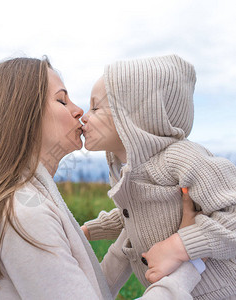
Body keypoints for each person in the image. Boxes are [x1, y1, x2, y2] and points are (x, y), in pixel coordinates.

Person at [0, 56, 203, 300]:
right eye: (62, 100)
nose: (79, 112)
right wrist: (189, 260)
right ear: (23, 116)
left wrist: (133, 229)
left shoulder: (28, 198)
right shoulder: (26, 213)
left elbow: (82, 290)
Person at [81, 54, 236, 300]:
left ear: (137, 117)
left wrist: (179, 246)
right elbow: (136, 217)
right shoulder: (131, 171)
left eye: (96, 107)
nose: (84, 116)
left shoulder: (180, 158)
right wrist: (91, 229)